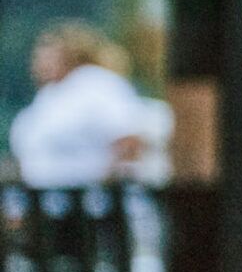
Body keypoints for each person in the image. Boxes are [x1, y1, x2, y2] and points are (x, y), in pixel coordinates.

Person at [11, 23, 170, 187]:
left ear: (71, 55)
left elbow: (129, 140)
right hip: (47, 197)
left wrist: (104, 185)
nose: (39, 63)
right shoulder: (48, 95)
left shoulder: (96, 83)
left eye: (48, 55)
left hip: (90, 197)